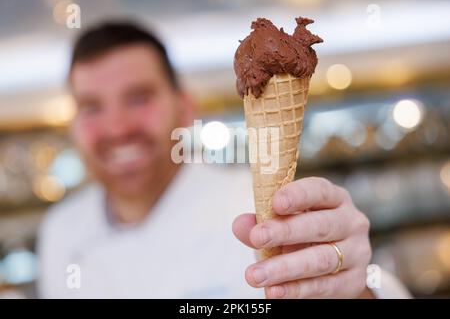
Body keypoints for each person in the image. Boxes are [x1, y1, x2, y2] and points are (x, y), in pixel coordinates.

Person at [37, 21, 410, 298]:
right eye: (92, 107)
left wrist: (355, 289)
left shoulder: (265, 213)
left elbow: (369, 286)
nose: (116, 128)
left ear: (184, 109)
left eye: (139, 98)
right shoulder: (58, 231)